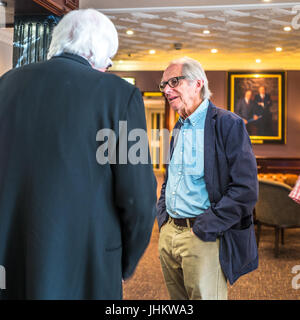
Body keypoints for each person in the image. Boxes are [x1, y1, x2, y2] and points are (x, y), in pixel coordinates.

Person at [0, 9, 157, 300]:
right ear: (96, 53)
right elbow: (140, 199)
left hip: (13, 261)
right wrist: (124, 263)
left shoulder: (5, 85)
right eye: (109, 62)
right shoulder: (120, 96)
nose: (107, 69)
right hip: (87, 269)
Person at [157, 57, 258, 300]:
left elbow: (245, 190)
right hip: (169, 233)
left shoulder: (227, 123)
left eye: (174, 82)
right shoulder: (178, 127)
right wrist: (163, 219)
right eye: (163, 85)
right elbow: (171, 179)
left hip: (202, 237)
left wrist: (205, 227)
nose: (167, 90)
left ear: (197, 83)